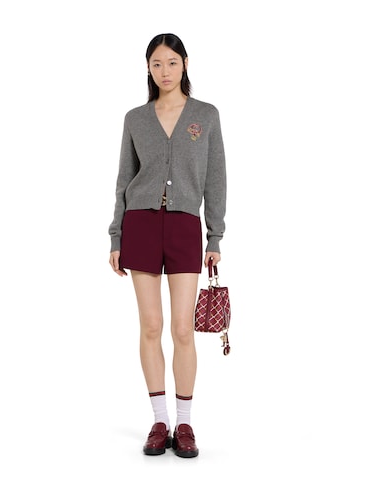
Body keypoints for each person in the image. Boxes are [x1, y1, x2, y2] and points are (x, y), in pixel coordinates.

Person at [108, 33, 227, 458]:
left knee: (182, 328)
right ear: (148, 68)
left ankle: (186, 424)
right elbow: (124, 179)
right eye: (157, 64)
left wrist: (215, 235)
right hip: (140, 225)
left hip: (183, 227)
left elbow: (216, 178)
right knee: (151, 326)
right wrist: (116, 235)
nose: (165, 71)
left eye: (172, 63)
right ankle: (159, 421)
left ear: (185, 64)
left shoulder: (205, 115)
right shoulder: (135, 119)